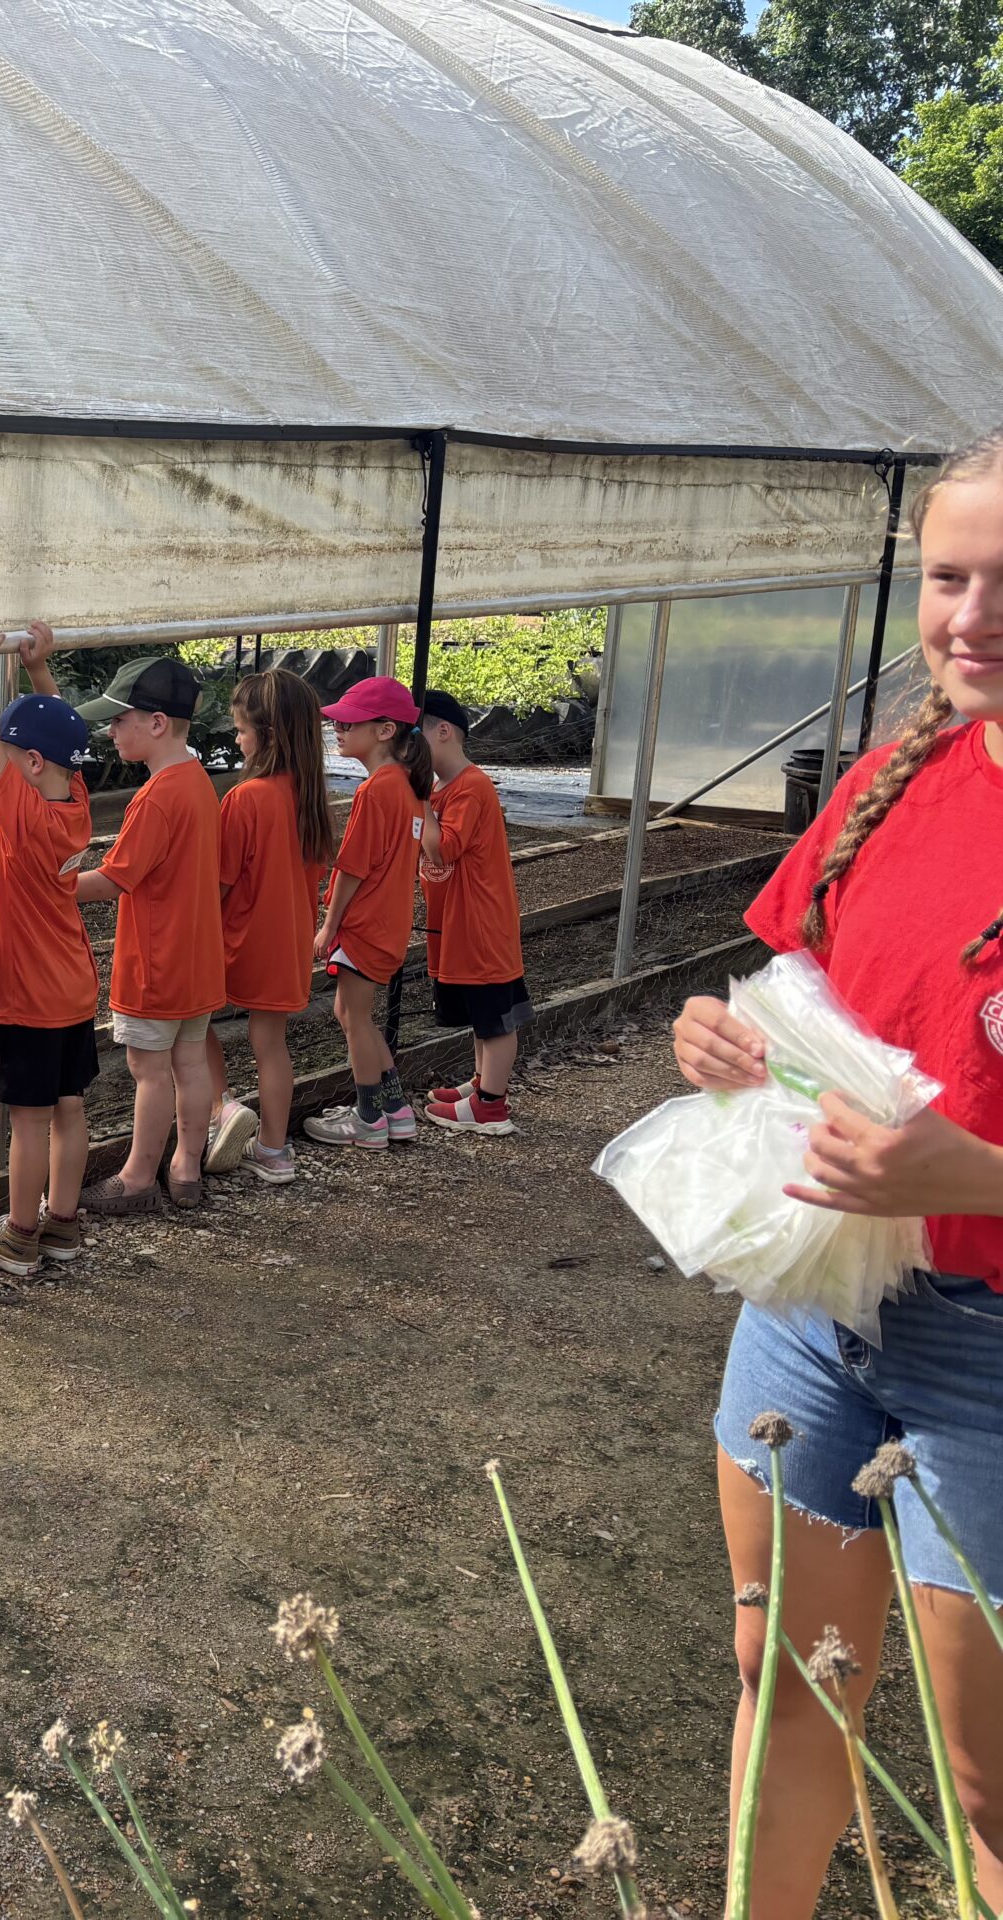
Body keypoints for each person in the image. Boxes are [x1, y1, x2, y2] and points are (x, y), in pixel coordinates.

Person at [672, 426, 1003, 1914]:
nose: (972, 617)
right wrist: (724, 1040)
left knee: (986, 1768)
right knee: (784, 1675)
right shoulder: (893, 780)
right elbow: (802, 993)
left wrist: (979, 1175)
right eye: (949, 576)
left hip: (989, 1349)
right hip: (814, 1312)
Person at [0, 619, 101, 1274]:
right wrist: (40, 669)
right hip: (72, 986)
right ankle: (64, 1225)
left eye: (16, 759)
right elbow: (61, 735)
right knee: (69, 1109)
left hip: (28, 995)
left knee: (29, 1122)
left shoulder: (26, 817)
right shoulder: (74, 799)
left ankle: (19, 1236)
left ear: (32, 764)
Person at [73, 655, 225, 1212]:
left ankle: (137, 1177)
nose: (111, 731)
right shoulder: (198, 784)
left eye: (119, 720)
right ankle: (186, 1167)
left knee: (149, 1070)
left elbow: (115, 878)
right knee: (190, 1063)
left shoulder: (156, 796)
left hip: (156, 961)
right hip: (198, 958)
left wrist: (39, 886)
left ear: (157, 723)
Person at [203, 670, 334, 1186]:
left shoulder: (245, 799)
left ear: (269, 735)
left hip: (237, 940)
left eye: (240, 730)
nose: (237, 740)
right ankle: (275, 1151)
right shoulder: (310, 798)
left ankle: (220, 1107)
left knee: (192, 1027)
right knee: (271, 1045)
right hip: (289, 942)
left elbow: (219, 882)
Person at [304, 676, 432, 1150]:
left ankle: (368, 1119)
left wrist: (328, 925)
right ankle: (396, 1111)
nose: (337, 727)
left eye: (348, 721)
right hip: (389, 923)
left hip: (363, 923)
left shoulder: (377, 790)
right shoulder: (407, 788)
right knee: (361, 1015)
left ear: (384, 730)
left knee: (352, 1016)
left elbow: (353, 867)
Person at [415, 690, 530, 1135]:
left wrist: (419, 801)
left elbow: (442, 849)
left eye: (414, 733)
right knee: (482, 1017)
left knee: (496, 1019)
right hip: (457, 925)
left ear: (443, 731)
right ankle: (482, 1085)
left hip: (481, 924)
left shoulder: (471, 787)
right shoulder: (442, 788)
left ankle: (490, 1106)